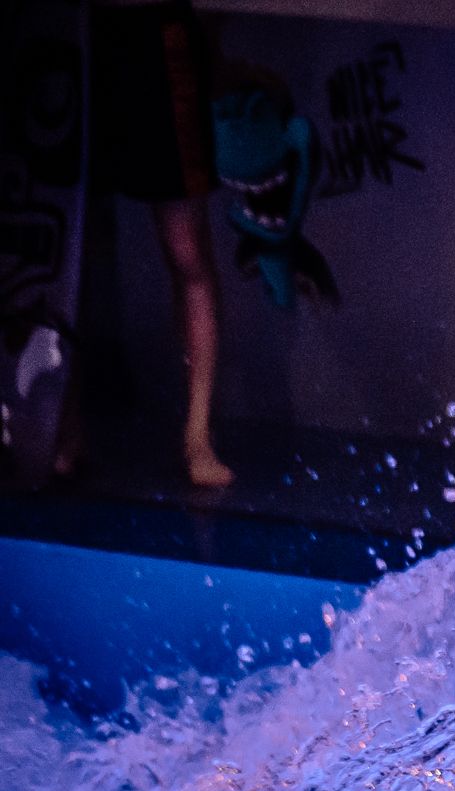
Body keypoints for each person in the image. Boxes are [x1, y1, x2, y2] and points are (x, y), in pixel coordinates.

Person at [79, 0, 232, 488]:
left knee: (186, 250)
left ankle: (197, 435)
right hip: (78, 33)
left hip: (158, 36)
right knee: (73, 245)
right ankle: (57, 424)